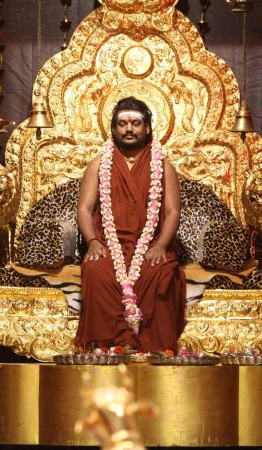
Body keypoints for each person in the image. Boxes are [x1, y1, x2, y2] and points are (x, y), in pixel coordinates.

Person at [75, 97, 185, 353]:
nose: (129, 129)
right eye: (122, 123)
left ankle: (152, 348)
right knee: (96, 270)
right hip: (108, 245)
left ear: (147, 128)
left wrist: (161, 246)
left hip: (150, 245)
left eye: (135, 123)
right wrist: (93, 241)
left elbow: (173, 212)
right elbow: (84, 209)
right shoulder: (99, 165)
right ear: (114, 129)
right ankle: (107, 346)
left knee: (158, 272)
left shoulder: (163, 167)